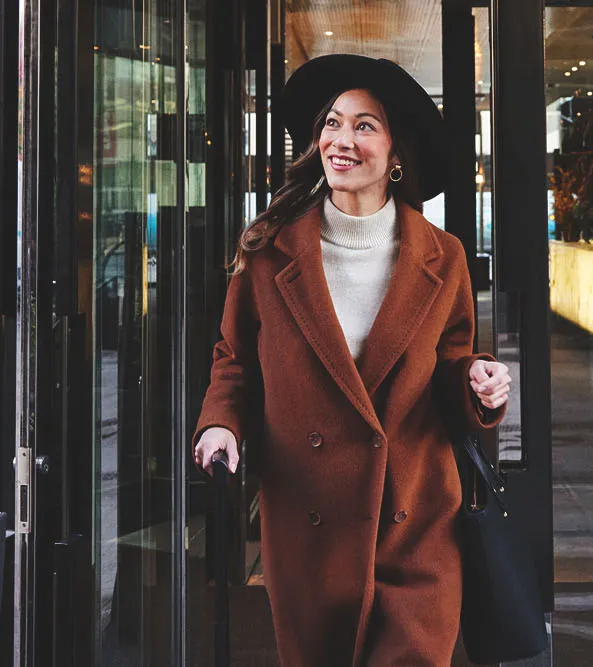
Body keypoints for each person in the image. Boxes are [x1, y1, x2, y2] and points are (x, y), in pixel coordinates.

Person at [188, 54, 513, 666]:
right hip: (310, 522)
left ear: (395, 155)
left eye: (365, 126)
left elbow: (453, 364)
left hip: (414, 518)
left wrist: (478, 380)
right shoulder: (268, 250)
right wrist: (220, 424)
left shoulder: (443, 257)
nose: (342, 140)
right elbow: (234, 360)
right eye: (333, 123)